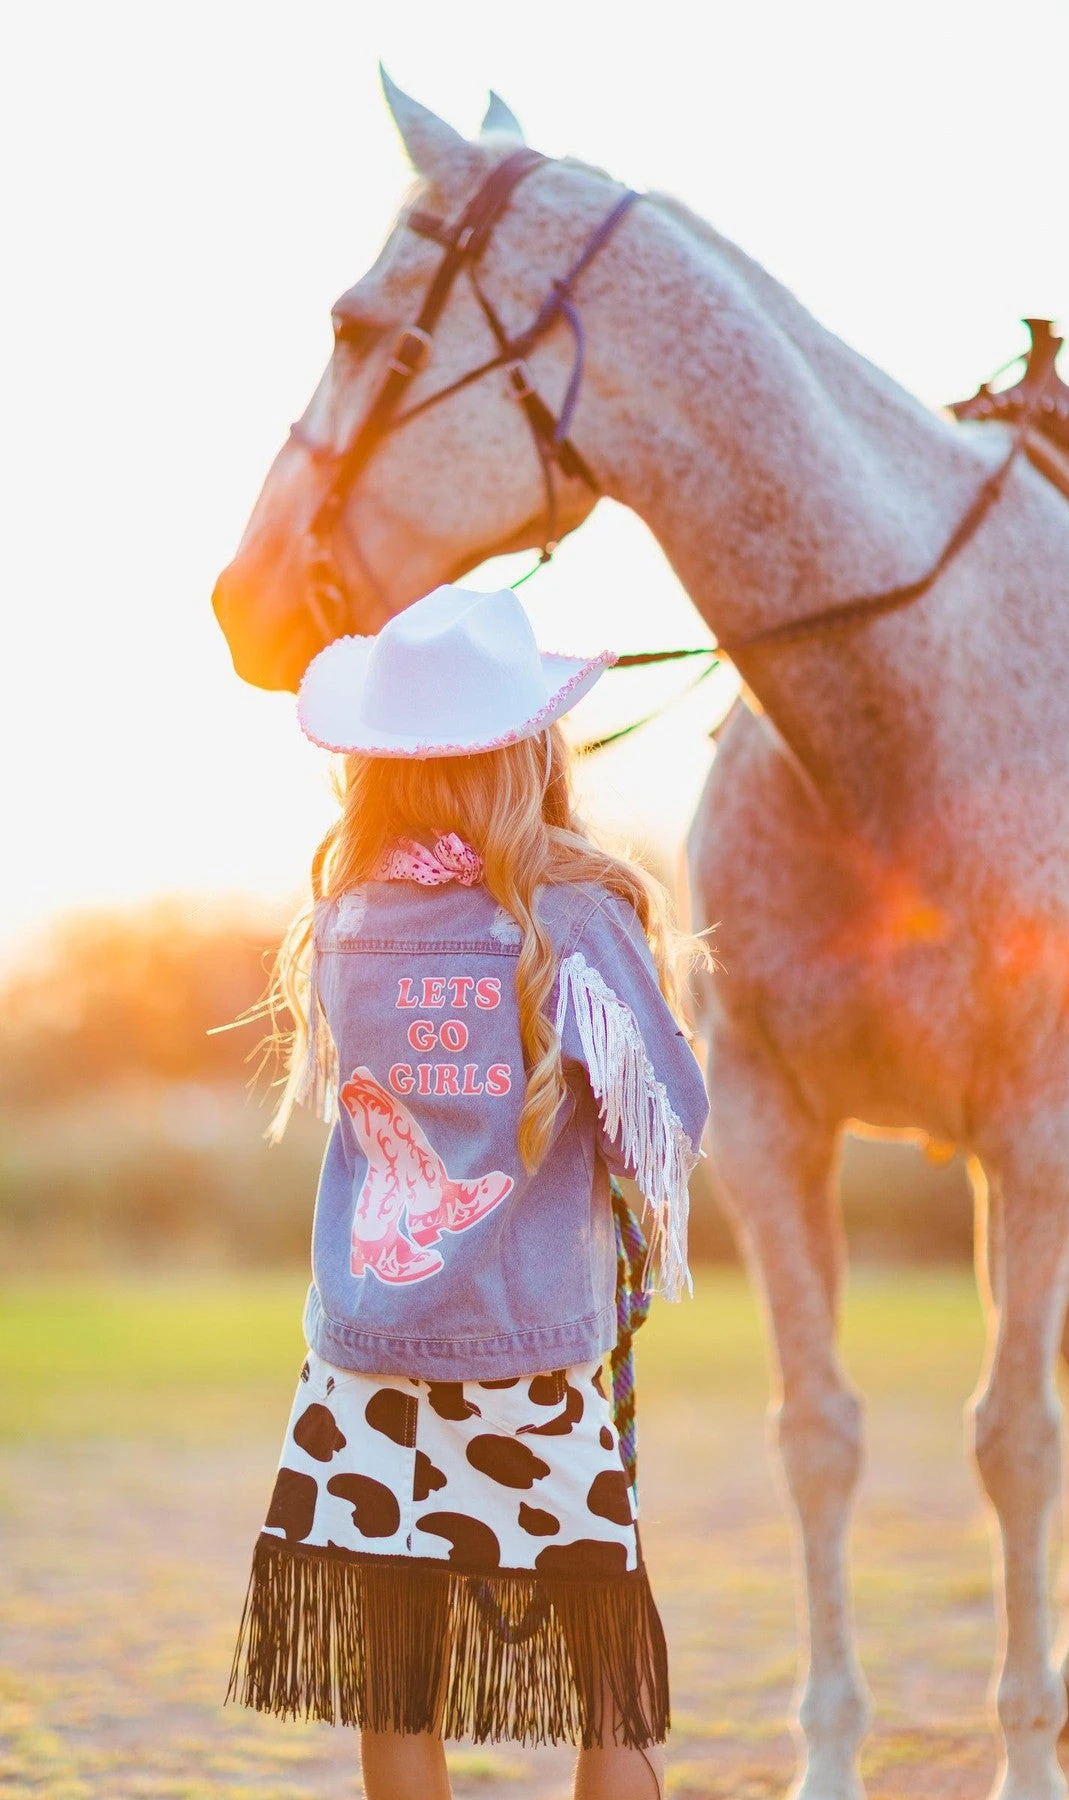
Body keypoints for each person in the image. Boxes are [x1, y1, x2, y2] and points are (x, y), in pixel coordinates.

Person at [227, 584, 710, 1800]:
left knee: (399, 1674)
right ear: (532, 750)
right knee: (607, 1677)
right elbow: (670, 1116)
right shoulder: (573, 915)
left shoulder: (346, 921)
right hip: (529, 1352)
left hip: (368, 1359)